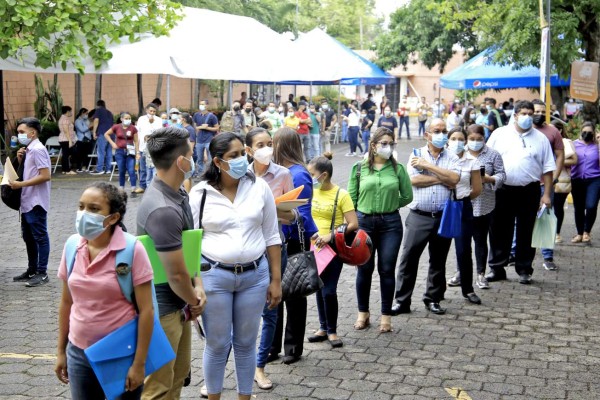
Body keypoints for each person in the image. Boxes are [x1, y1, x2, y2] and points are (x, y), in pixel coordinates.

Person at [188, 132, 281, 399]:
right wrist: (196, 283)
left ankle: (244, 396)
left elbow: (272, 236)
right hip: (214, 277)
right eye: (234, 156)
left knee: (245, 343)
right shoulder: (200, 194)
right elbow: (191, 243)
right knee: (217, 344)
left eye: (243, 153)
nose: (242, 159)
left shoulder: (259, 187)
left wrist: (276, 280)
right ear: (218, 162)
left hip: (255, 276)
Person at [55, 183, 154, 400]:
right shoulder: (72, 245)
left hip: (121, 354)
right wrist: (61, 351)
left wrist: (139, 364)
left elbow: (147, 311)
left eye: (93, 209)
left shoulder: (132, 249)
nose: (83, 214)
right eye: (81, 207)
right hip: (79, 353)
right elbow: (66, 302)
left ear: (113, 218)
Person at [137, 127, 206, 399]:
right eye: (191, 153)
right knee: (158, 388)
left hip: (178, 304)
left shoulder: (176, 193)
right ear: (181, 161)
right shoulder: (163, 208)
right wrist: (195, 299)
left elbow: (188, 251)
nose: (194, 158)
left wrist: (197, 285)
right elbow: (176, 274)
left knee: (176, 379)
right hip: (164, 309)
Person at [391, 119, 460, 316]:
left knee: (438, 261)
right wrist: (442, 177)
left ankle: (433, 299)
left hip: (443, 216)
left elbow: (455, 179)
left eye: (444, 130)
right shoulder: (415, 154)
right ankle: (402, 301)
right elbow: (413, 180)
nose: (442, 134)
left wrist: (428, 167)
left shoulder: (452, 156)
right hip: (419, 216)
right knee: (408, 259)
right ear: (427, 135)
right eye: (437, 131)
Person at [348, 127, 413, 331]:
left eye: (391, 143)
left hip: (390, 224)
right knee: (364, 269)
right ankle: (363, 313)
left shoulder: (398, 169)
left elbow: (408, 196)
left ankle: (386, 317)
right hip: (364, 223)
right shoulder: (359, 168)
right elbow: (351, 199)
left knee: (387, 269)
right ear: (373, 145)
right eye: (384, 143)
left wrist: (392, 203)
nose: (388, 147)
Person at [245, 128, 294, 391]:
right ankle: (222, 369)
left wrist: (279, 211)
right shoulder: (240, 174)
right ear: (249, 150)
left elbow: (295, 217)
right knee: (240, 311)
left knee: (270, 310)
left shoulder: (283, 174)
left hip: (275, 248)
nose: (266, 148)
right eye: (260, 144)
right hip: (245, 250)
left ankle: (259, 367)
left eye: (269, 143)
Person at [486, 101, 555, 284]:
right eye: (524, 113)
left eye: (530, 114)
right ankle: (497, 268)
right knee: (499, 230)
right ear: (515, 115)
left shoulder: (541, 139)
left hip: (529, 190)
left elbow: (548, 169)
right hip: (502, 189)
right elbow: (486, 161)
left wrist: (546, 194)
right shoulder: (499, 135)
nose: (527, 117)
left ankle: (524, 269)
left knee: (526, 231)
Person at [270, 127, 318, 365]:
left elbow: (302, 212)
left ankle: (292, 347)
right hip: (276, 241)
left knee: (294, 293)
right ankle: (272, 345)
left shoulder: (297, 174)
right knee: (275, 292)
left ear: (282, 146)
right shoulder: (276, 172)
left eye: (272, 144)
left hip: (292, 241)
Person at [308, 153, 358, 345]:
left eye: (312, 174)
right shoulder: (310, 191)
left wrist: (330, 235)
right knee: (318, 288)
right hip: (313, 247)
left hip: (332, 248)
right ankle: (322, 328)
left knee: (329, 290)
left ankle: (332, 331)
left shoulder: (341, 194)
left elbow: (353, 223)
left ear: (324, 175)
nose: (309, 177)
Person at [454, 124, 506, 290]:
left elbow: (502, 175)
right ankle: (461, 273)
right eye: (472, 139)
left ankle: (480, 274)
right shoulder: (458, 154)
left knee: (481, 240)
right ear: (466, 139)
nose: (476, 142)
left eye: (479, 139)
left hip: (484, 204)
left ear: (485, 138)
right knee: (462, 242)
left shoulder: (493, 154)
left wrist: (489, 179)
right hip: (463, 203)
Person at [10, 117, 52, 287]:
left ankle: (42, 273)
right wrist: (21, 160)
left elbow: (45, 175)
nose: (19, 135)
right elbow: (29, 172)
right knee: (28, 237)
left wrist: (20, 184)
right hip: (27, 201)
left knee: (40, 237)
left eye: (22, 132)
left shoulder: (38, 150)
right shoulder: (29, 149)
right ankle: (32, 269)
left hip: (36, 202)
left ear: (32, 132)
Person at [444, 127, 483, 304]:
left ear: (465, 141)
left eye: (461, 139)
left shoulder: (472, 161)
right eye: (453, 138)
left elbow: (477, 189)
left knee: (464, 249)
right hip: (442, 207)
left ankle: (468, 289)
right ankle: (436, 291)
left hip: (462, 206)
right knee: (439, 250)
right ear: (448, 140)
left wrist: (463, 198)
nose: (457, 142)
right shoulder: (441, 159)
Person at [532, 99, 565, 271]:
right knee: (521, 218)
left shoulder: (552, 131)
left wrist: (555, 177)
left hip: (546, 183)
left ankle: (547, 256)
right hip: (526, 183)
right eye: (535, 111)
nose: (538, 115)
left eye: (541, 112)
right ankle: (514, 253)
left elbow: (560, 155)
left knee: (546, 218)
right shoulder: (523, 131)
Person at [570, 122, 600, 244]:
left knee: (591, 206)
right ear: (580, 132)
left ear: (594, 133)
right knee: (579, 207)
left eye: (590, 132)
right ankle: (580, 233)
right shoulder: (574, 144)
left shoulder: (597, 146)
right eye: (584, 131)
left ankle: (587, 231)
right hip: (577, 179)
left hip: (595, 179)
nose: (587, 134)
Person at [552, 121, 577, 245]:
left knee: (557, 207)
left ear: (560, 130)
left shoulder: (566, 142)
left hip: (561, 181)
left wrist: (558, 162)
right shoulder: (544, 140)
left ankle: (556, 233)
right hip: (544, 179)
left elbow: (574, 159)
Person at [104, 112, 141, 193]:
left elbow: (136, 141)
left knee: (131, 170)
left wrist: (137, 152)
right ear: (121, 119)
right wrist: (112, 143)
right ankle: (121, 187)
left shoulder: (133, 128)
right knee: (121, 170)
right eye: (126, 118)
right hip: (119, 151)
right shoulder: (116, 127)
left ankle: (133, 187)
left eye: (129, 118)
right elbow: (106, 134)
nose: (128, 120)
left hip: (130, 152)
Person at [136, 103, 163, 193]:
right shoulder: (141, 119)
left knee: (153, 169)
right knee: (142, 168)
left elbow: (159, 133)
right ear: (147, 110)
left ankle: (152, 187)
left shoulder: (158, 120)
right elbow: (138, 133)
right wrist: (137, 150)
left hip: (154, 148)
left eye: (154, 111)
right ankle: (142, 186)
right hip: (142, 147)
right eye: (150, 111)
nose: (152, 113)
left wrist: (152, 122)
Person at [193, 100, 220, 174]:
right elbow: (195, 126)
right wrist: (200, 127)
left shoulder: (212, 116)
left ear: (207, 106)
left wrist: (207, 128)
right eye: (200, 104)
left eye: (203, 104)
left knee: (210, 158)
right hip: (199, 140)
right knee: (199, 158)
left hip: (209, 139)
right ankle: (200, 173)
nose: (201, 105)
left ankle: (209, 173)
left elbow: (217, 128)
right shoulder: (196, 115)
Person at [91, 100, 114, 175]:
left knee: (100, 151)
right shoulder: (109, 112)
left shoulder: (98, 110)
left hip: (102, 133)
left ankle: (99, 169)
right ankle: (108, 169)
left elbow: (96, 121)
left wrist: (94, 132)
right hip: (111, 133)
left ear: (97, 105)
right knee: (109, 152)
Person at [58, 105, 77, 175]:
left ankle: (64, 170)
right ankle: (67, 170)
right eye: (70, 111)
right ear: (67, 111)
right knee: (67, 154)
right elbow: (66, 130)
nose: (71, 113)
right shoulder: (65, 119)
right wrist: (69, 141)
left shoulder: (62, 118)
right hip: (65, 139)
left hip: (63, 139)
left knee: (65, 155)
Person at [74, 107, 93, 172]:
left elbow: (89, 129)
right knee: (80, 154)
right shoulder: (77, 121)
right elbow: (82, 129)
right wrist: (90, 126)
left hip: (88, 139)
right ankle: (79, 167)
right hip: (81, 140)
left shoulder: (87, 120)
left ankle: (87, 166)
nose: (87, 115)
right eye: (86, 113)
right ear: (82, 113)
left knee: (87, 154)